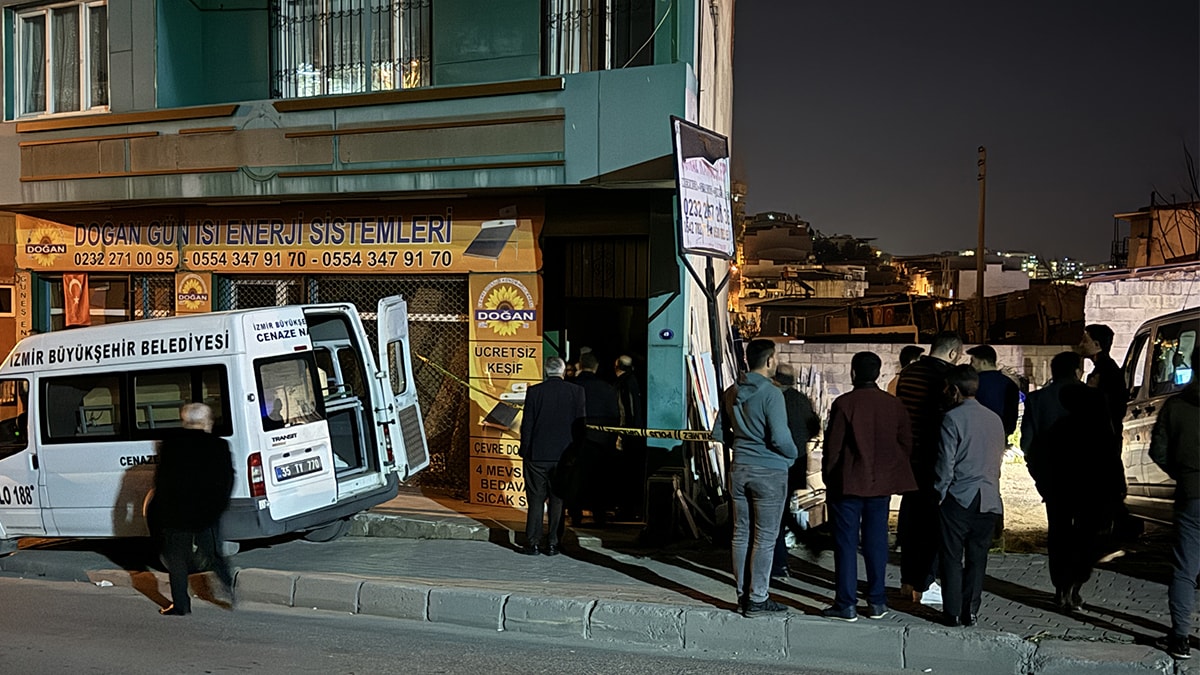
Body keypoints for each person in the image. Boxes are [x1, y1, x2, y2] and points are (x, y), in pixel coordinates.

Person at [819, 352, 916, 621]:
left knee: (846, 544)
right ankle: (877, 601)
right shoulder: (893, 405)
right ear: (878, 373)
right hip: (880, 483)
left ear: (852, 373)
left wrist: (829, 479)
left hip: (847, 484)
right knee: (876, 542)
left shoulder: (844, 404)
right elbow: (906, 443)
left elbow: (833, 449)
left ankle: (846, 603)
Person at [1022, 351, 1121, 612]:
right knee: (1087, 535)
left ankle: (1061, 588)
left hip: (1055, 481)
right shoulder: (1095, 398)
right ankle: (1075, 585)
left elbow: (1027, 445)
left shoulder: (1037, 400)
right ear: (1078, 370)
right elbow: (1109, 443)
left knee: (1059, 534)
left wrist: (1039, 477)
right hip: (1090, 481)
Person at [722, 338, 799, 617]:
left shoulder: (732, 391)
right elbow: (780, 437)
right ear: (769, 361)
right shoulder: (772, 394)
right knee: (765, 538)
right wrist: (791, 456)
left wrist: (742, 446)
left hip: (739, 469)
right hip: (769, 471)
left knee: (740, 534)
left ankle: (742, 595)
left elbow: (719, 433)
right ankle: (758, 598)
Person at [934, 365, 1005, 627]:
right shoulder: (994, 419)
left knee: (952, 556)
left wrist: (940, 493)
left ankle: (951, 611)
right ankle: (971, 610)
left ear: (954, 390)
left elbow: (946, 464)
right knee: (978, 557)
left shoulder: (952, 419)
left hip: (959, 496)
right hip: (988, 496)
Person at [895, 331, 963, 604]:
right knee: (931, 524)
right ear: (952, 353)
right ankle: (924, 583)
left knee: (909, 520)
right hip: (933, 457)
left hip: (908, 456)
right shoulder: (945, 379)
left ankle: (907, 580)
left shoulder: (908, 373)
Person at [152, 403, 235, 616]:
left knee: (177, 559)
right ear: (206, 422)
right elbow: (227, 480)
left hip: (176, 513)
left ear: (185, 421)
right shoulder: (219, 446)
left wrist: (162, 510)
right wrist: (218, 506)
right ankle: (228, 587)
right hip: (207, 512)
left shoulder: (171, 445)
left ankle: (181, 605)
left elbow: (162, 482)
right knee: (212, 554)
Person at [1150, 348, 1199, 661]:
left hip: (1191, 494)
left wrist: (1181, 473)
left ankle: (1180, 637)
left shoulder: (1176, 405)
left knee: (1185, 569)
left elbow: (1159, 450)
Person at [517, 356, 586, 556]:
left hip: (537, 455)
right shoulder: (577, 392)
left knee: (536, 500)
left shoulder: (535, 392)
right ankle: (554, 542)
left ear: (545, 372)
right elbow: (580, 427)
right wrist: (576, 453)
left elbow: (527, 424)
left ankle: (533, 542)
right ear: (563, 372)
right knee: (558, 501)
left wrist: (525, 451)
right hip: (564, 456)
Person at [770, 362, 821, 579]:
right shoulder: (802, 400)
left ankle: (780, 562)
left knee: (776, 516)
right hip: (798, 462)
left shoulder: (773, 398)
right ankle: (807, 540)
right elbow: (815, 427)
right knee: (782, 512)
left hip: (777, 462)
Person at [569, 352, 620, 525]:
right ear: (596, 367)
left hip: (575, 441)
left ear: (580, 365)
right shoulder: (607, 388)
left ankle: (575, 515)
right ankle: (599, 515)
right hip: (601, 442)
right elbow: (615, 416)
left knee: (575, 478)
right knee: (599, 479)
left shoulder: (572, 386)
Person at [613, 354, 645, 518]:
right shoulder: (635, 381)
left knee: (626, 473)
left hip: (627, 434)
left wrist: (621, 434)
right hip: (635, 435)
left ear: (616, 366)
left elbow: (625, 410)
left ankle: (626, 508)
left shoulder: (623, 384)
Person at [967, 345, 1019, 438]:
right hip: (999, 436)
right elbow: (1012, 417)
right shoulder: (1010, 384)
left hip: (974, 435)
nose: (971, 365)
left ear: (983, 362)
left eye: (973, 361)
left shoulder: (973, 383)